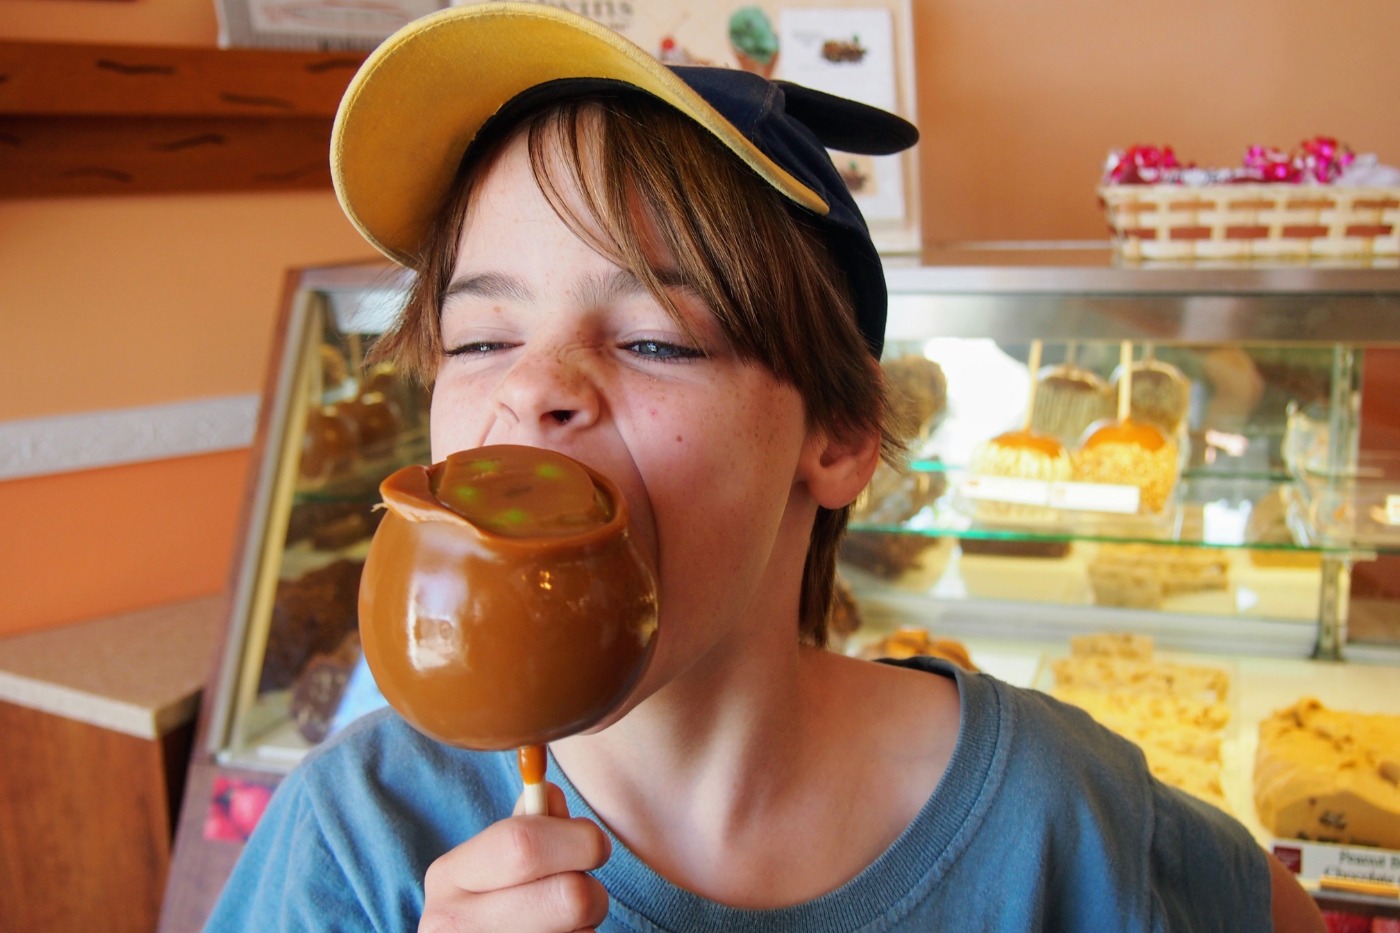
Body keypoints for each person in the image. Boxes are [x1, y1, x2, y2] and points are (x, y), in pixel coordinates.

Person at [206, 4, 1325, 930]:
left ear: (836, 436)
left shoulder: (1061, 824)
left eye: (652, 340)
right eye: (482, 339)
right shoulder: (360, 841)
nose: (529, 387)